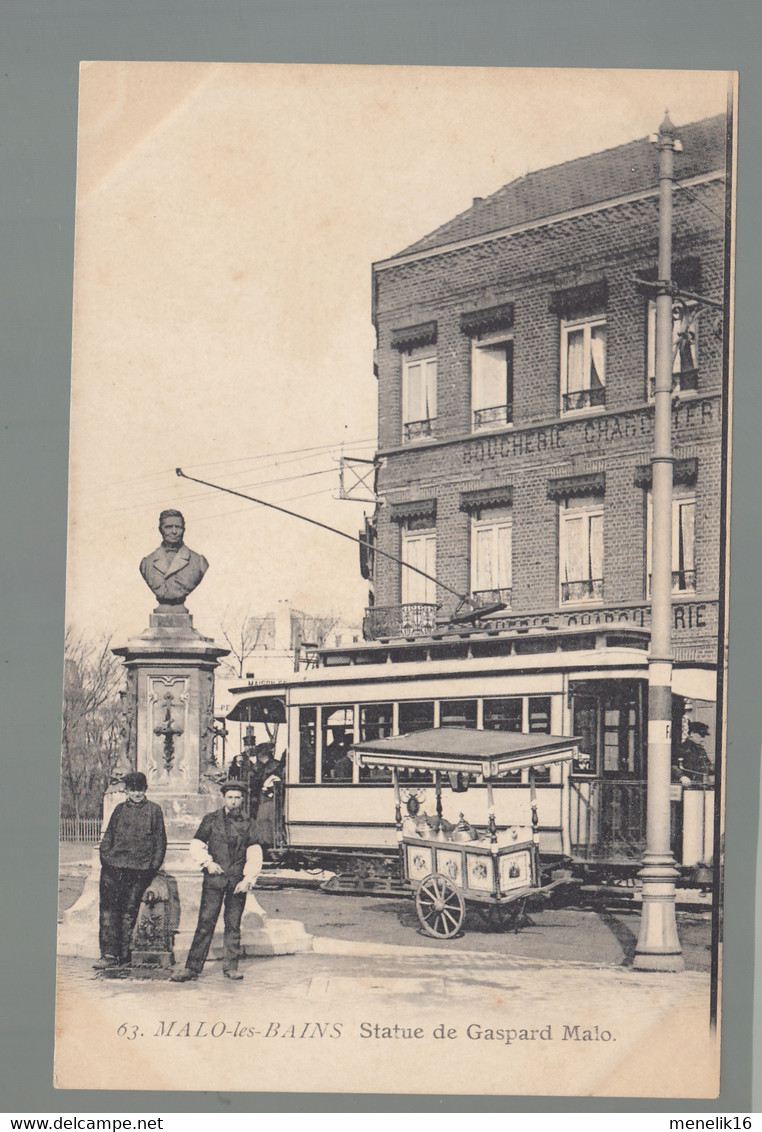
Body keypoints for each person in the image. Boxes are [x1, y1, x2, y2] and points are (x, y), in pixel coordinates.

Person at [171, 780, 263, 982]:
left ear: (242, 800)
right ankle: (192, 968)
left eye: (237, 798)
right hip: (214, 881)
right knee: (205, 922)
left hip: (237, 883)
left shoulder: (249, 823)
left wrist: (248, 878)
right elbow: (196, 844)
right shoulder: (211, 819)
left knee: (233, 924)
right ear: (224, 798)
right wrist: (207, 863)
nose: (233, 802)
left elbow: (255, 852)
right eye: (230, 797)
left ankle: (231, 967)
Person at [94, 771, 167, 970]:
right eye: (132, 790)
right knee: (109, 911)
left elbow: (160, 842)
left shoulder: (154, 810)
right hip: (113, 868)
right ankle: (108, 954)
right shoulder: (119, 810)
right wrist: (107, 858)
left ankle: (123, 954)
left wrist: (152, 867)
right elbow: (108, 837)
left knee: (128, 911)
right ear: (126, 790)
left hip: (139, 869)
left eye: (140, 789)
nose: (136, 793)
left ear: (145, 790)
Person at [139, 509, 209, 607]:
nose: (174, 531)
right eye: (168, 527)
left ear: (184, 530)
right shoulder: (147, 563)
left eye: (178, 527)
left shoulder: (199, 562)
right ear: (160, 529)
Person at [249, 743, 285, 848]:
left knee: (265, 820)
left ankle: (267, 843)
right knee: (263, 820)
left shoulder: (274, 766)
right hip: (263, 798)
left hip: (270, 798)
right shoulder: (262, 766)